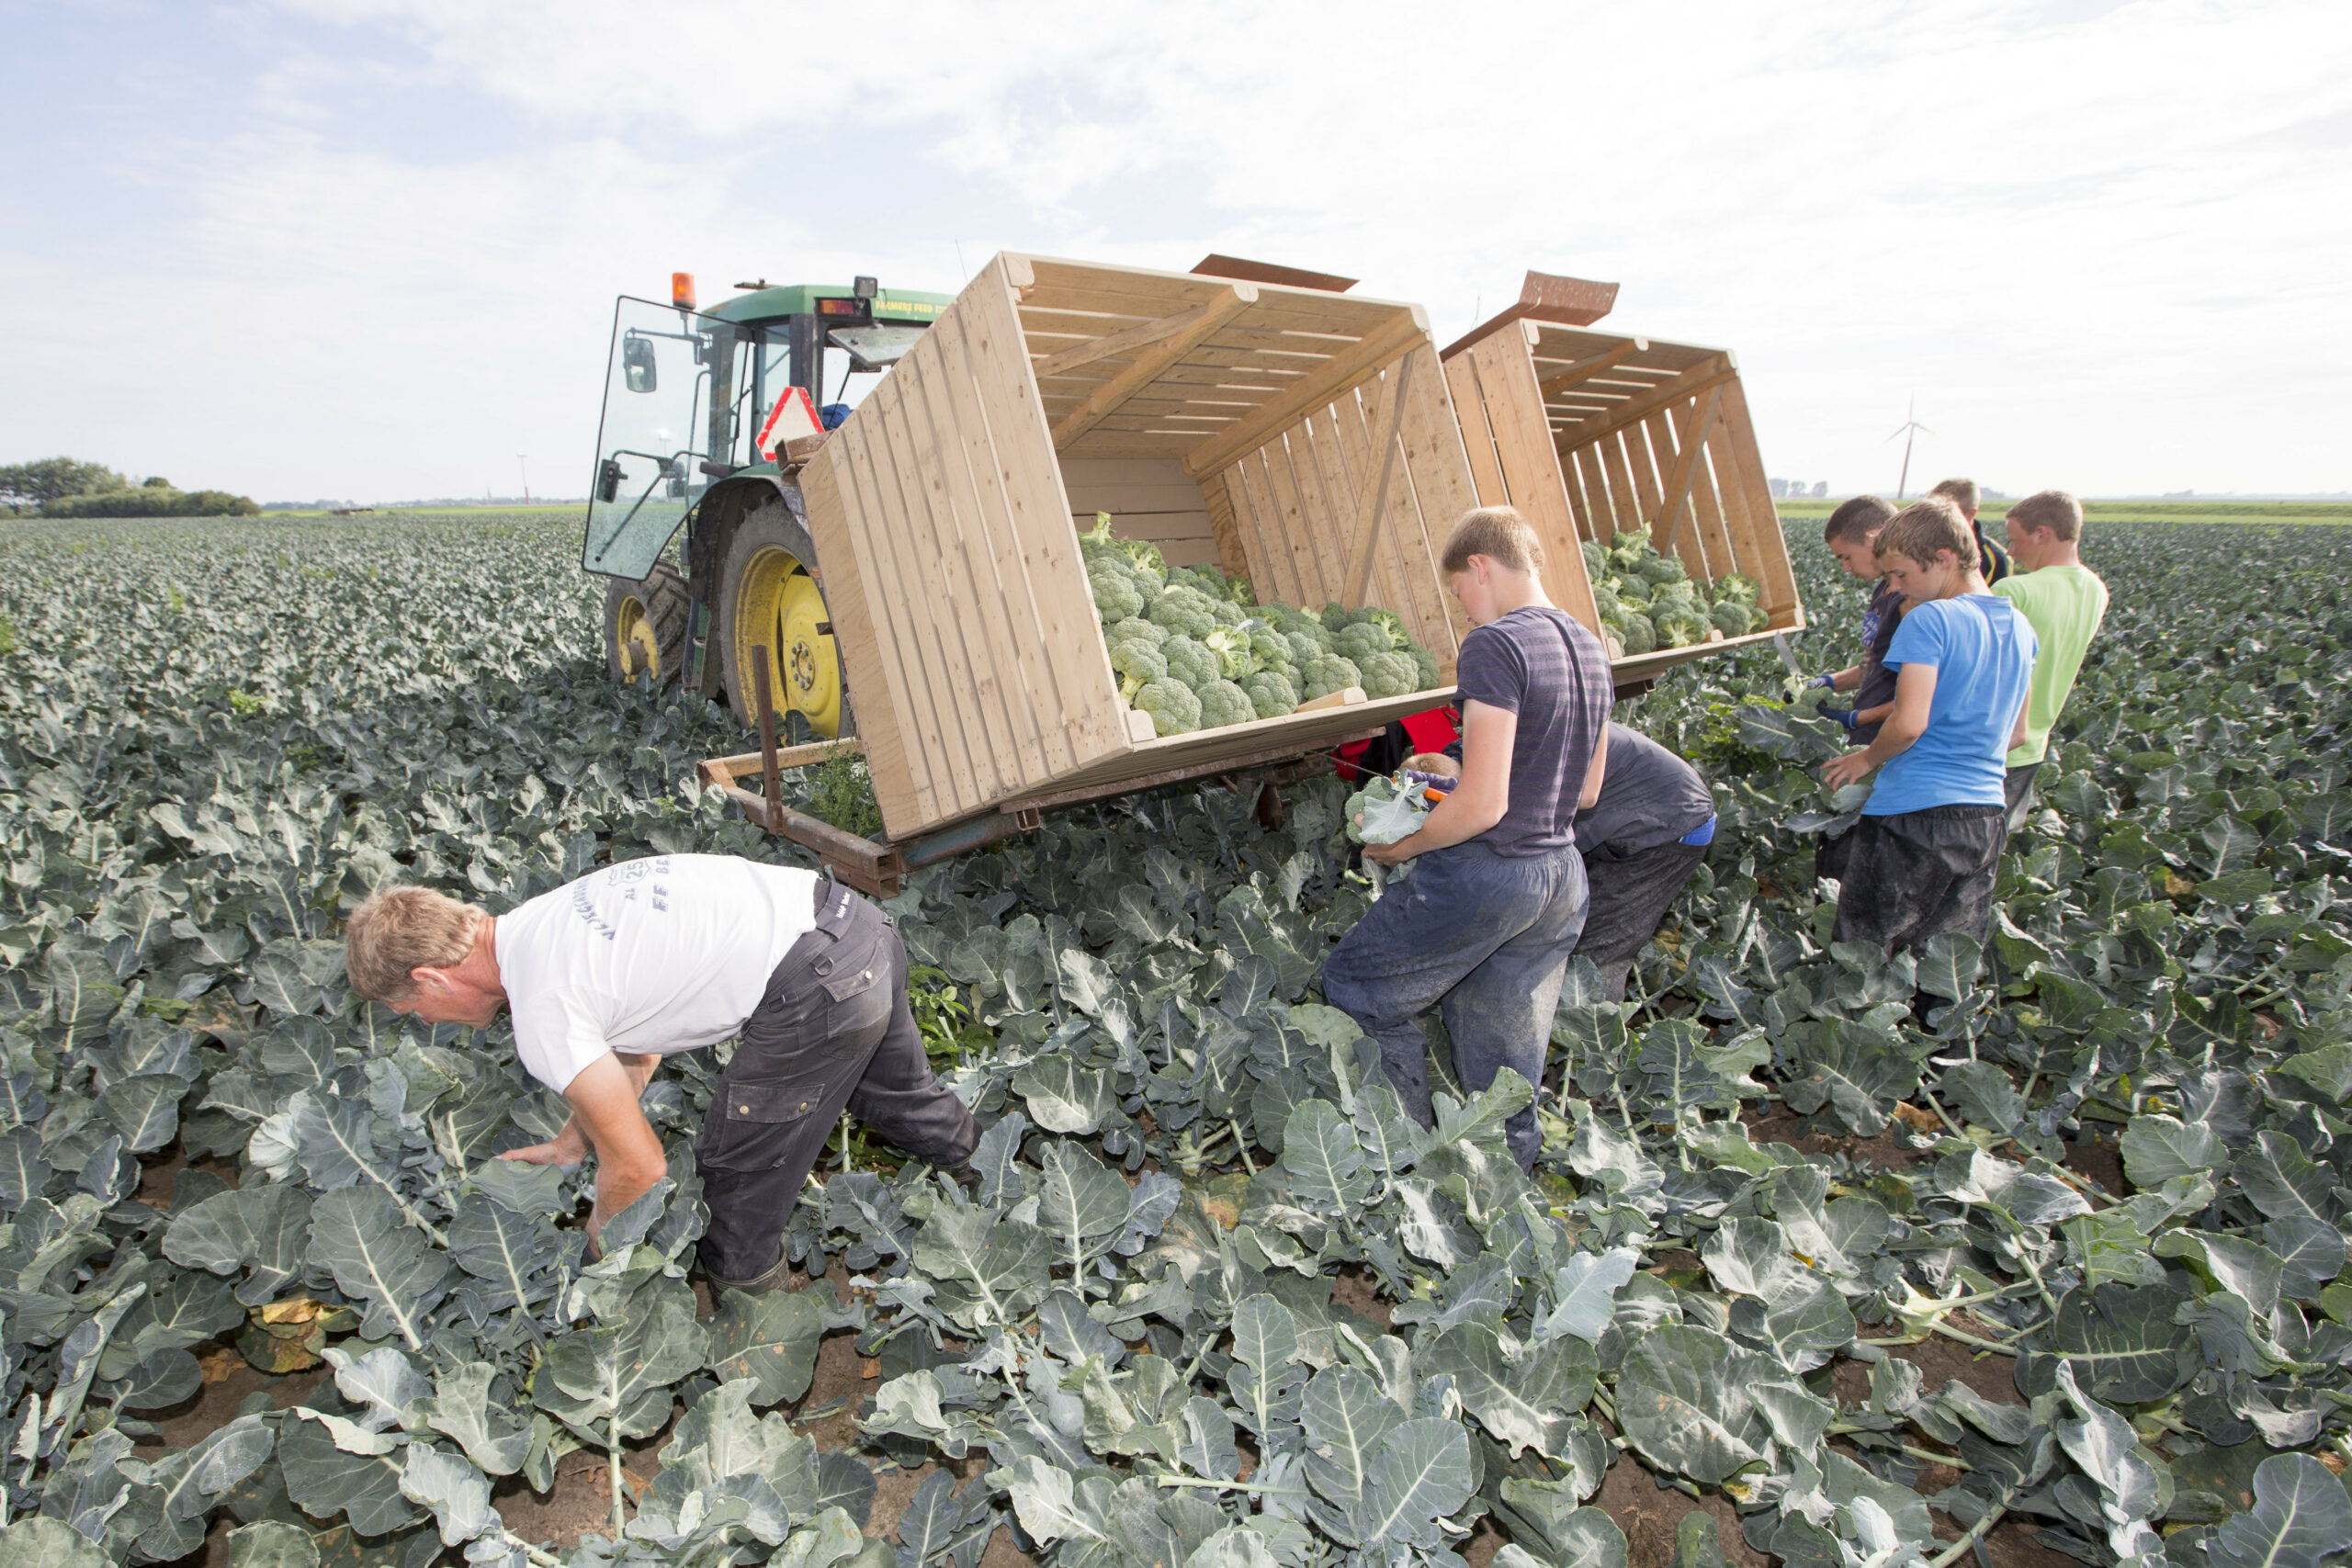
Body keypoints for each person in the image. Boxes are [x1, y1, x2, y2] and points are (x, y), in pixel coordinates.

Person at [342, 855, 978, 1294]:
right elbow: (638, 1045)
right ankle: (990, 1192)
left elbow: (642, 1168)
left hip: (812, 986)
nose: (426, 1022)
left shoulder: (540, 1007)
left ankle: (757, 1334)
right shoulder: (537, 922)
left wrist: (596, 1250)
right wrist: (574, 1141)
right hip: (853, 924)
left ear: (430, 978)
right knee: (895, 1093)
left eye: (412, 1008)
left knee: (733, 1189)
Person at [1320, 506, 1611, 1171]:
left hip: (1493, 871)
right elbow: (1587, 788)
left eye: (1460, 593)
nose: (1466, 611)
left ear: (1480, 566)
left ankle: (1401, 1163)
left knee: (1359, 986)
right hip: (1562, 875)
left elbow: (1484, 804)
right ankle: (1503, 1178)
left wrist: (1400, 846)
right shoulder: (1587, 645)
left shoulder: (1497, 644)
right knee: (1500, 1043)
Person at [1818, 498, 2035, 953]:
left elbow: (1910, 723)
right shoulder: (2019, 626)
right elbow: (2018, 735)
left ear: (1944, 558)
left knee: (1864, 957)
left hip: (1914, 816)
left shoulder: (1930, 619)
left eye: (1901, 575)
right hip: (1985, 819)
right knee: (1944, 965)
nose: (1895, 588)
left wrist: (1866, 758)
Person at [1568, 723, 1717, 1000]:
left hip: (1670, 826)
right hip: (1626, 816)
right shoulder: (1506, 738)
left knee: (1597, 949)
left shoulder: (1523, 755)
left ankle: (1593, 1035)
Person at [1991, 490, 2108, 831]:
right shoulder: (2096, 589)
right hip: (2034, 744)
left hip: (1990, 745)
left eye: (2014, 539)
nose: (2010, 551)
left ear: (2042, 533)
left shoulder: (2014, 590)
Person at [1805, 495, 1903, 744]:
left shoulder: (1911, 602)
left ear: (1874, 536)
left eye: (1846, 557)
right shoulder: (1882, 590)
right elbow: (1874, 665)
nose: (1846, 568)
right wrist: (1829, 682)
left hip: (1888, 744)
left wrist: (1858, 718)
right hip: (1865, 740)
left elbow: (1925, 696)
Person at [1927, 477, 2011, 585]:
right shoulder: (1915, 544)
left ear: (1971, 514)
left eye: (1948, 514)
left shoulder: (1996, 558)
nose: (1936, 521)